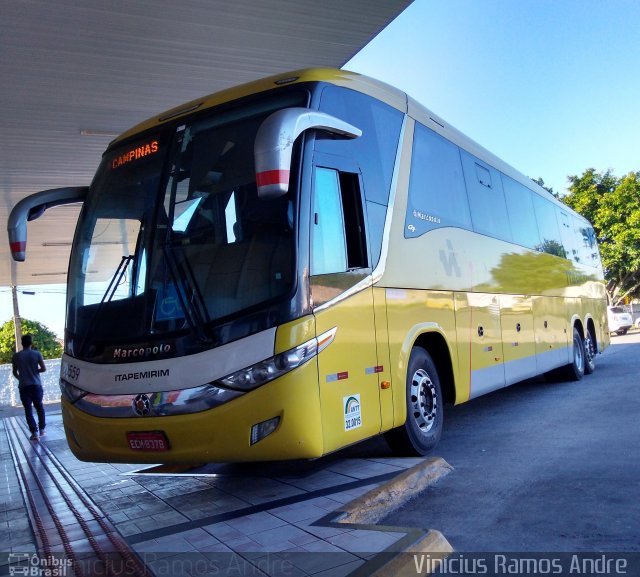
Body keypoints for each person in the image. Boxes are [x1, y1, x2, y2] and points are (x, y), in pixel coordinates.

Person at [12, 334, 47, 440]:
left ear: (22, 344)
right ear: (31, 343)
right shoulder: (37, 354)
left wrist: (21, 378)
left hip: (24, 386)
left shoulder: (16, 356)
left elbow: (14, 372)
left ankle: (34, 433)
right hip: (36, 385)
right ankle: (42, 429)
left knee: (28, 409)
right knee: (39, 407)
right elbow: (43, 369)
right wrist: (36, 371)